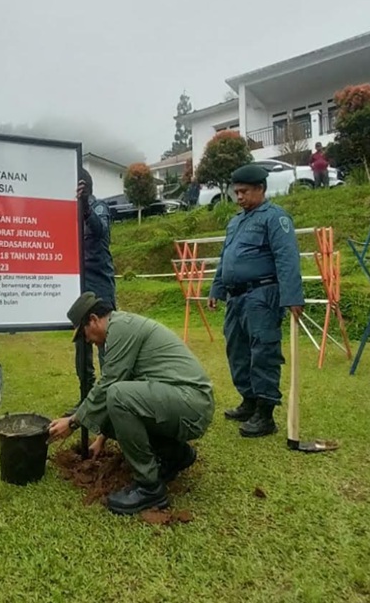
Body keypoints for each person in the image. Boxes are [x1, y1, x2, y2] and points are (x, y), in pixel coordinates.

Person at [48, 292, 214, 515]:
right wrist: (101, 438)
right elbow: (122, 388)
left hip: (192, 403)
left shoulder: (120, 329)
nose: (86, 340)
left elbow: (110, 385)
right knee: (113, 400)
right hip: (180, 401)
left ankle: (149, 488)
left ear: (94, 319)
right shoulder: (121, 327)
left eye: (83, 333)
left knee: (116, 393)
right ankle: (176, 454)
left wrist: (73, 422)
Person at [207, 164, 304, 438]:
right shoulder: (236, 221)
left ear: (260, 189)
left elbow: (287, 258)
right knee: (237, 351)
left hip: (262, 295)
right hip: (236, 298)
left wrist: (293, 297)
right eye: (236, 192)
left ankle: (265, 412)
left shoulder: (275, 218)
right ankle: (248, 401)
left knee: (263, 351)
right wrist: (217, 289)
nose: (239, 197)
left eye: (244, 192)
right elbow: (226, 259)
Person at [65, 167, 116, 416]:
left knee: (106, 346)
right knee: (82, 347)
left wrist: (85, 205)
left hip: (99, 288)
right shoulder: (70, 213)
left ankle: (110, 401)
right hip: (79, 287)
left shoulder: (98, 208)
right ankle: (86, 398)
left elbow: (99, 230)